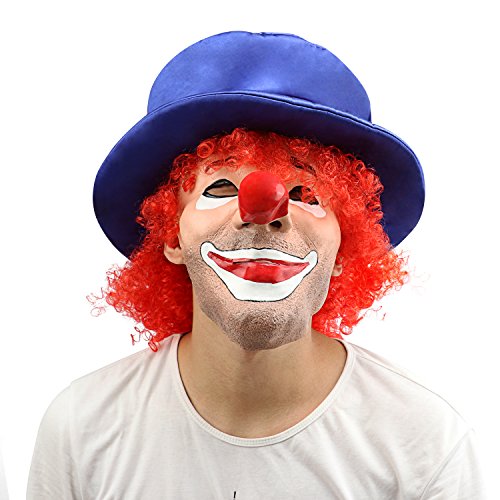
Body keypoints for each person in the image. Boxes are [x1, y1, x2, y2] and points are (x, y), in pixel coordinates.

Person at [27, 31, 486, 498]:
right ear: (171, 235)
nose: (264, 211)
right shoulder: (82, 429)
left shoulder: (426, 444)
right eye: (220, 187)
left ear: (344, 247)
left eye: (305, 193)